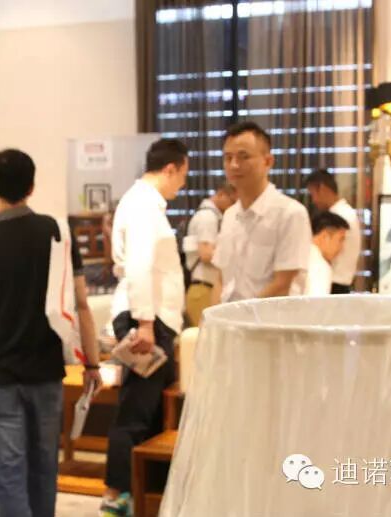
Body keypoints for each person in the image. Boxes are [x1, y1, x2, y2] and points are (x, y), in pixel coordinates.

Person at [0, 149, 102, 517]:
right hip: (46, 375)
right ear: (32, 186)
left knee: (8, 479)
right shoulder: (57, 234)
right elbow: (82, 304)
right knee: (43, 472)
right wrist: (92, 363)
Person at [101, 138, 189, 516]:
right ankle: (116, 497)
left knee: (150, 414)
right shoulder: (142, 204)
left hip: (153, 318)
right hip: (147, 319)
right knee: (136, 412)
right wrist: (145, 323)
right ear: (170, 169)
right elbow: (139, 265)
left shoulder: (146, 203)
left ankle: (143, 497)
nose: (182, 184)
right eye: (182, 176)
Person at [211, 122, 312, 305]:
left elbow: (282, 284)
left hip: (270, 319)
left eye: (244, 157)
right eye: (228, 158)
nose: (234, 165)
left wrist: (239, 316)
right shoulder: (230, 215)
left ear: (268, 161)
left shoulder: (290, 214)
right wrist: (213, 317)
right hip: (230, 318)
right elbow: (220, 278)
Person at [183, 184, 237, 326]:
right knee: (207, 335)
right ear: (221, 194)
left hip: (204, 288)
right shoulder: (208, 217)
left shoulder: (210, 216)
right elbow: (206, 254)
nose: (233, 206)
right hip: (204, 289)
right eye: (232, 201)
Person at [304, 168, 361, 294]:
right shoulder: (345, 212)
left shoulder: (339, 216)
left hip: (336, 283)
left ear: (322, 189)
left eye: (313, 194)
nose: (313, 201)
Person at [305, 211, 350, 296]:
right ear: (325, 236)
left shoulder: (300, 254)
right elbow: (317, 303)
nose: (342, 248)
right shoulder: (320, 267)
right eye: (341, 240)